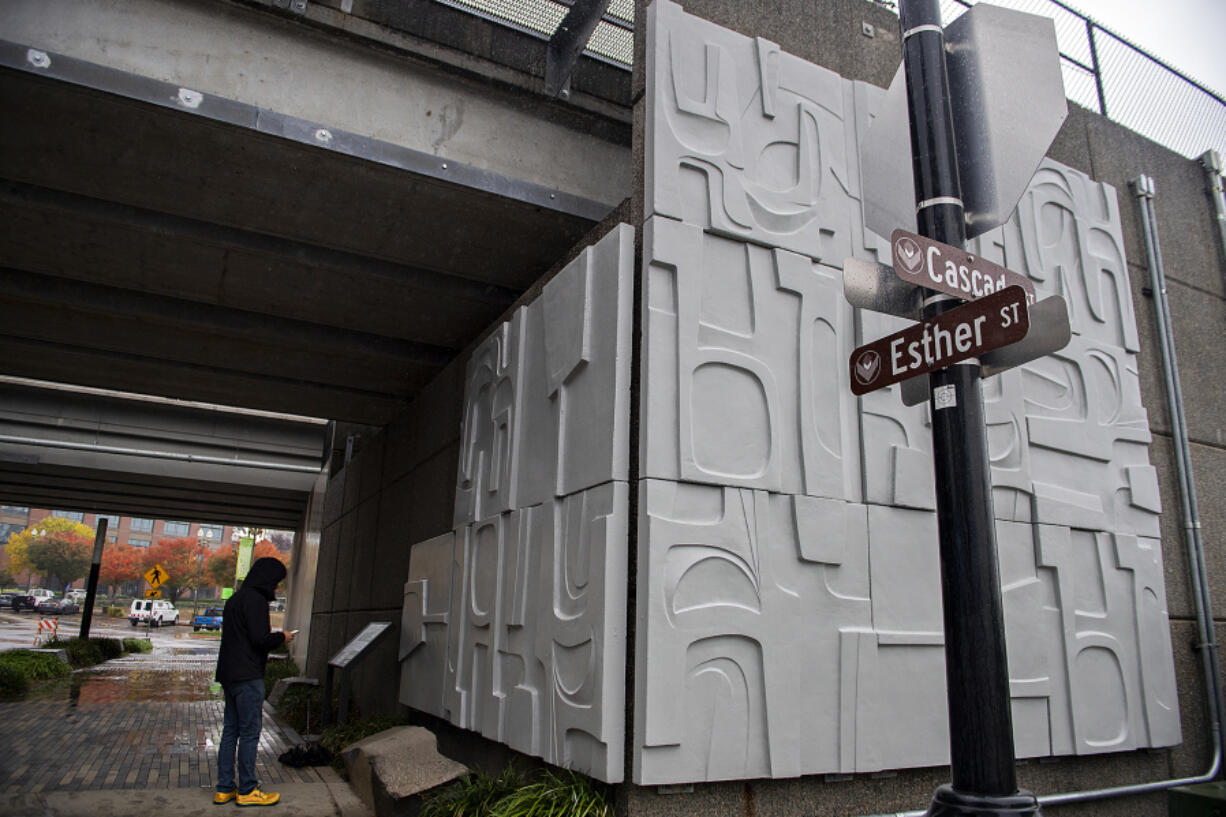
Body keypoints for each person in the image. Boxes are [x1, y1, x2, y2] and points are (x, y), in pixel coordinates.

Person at [213, 557, 294, 807]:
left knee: (230, 732)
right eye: (276, 582)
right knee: (249, 733)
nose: (277, 588)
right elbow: (260, 640)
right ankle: (248, 789)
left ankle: (224, 788)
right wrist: (283, 636)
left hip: (229, 674)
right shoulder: (256, 601)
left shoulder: (236, 599)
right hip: (248, 676)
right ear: (268, 579)